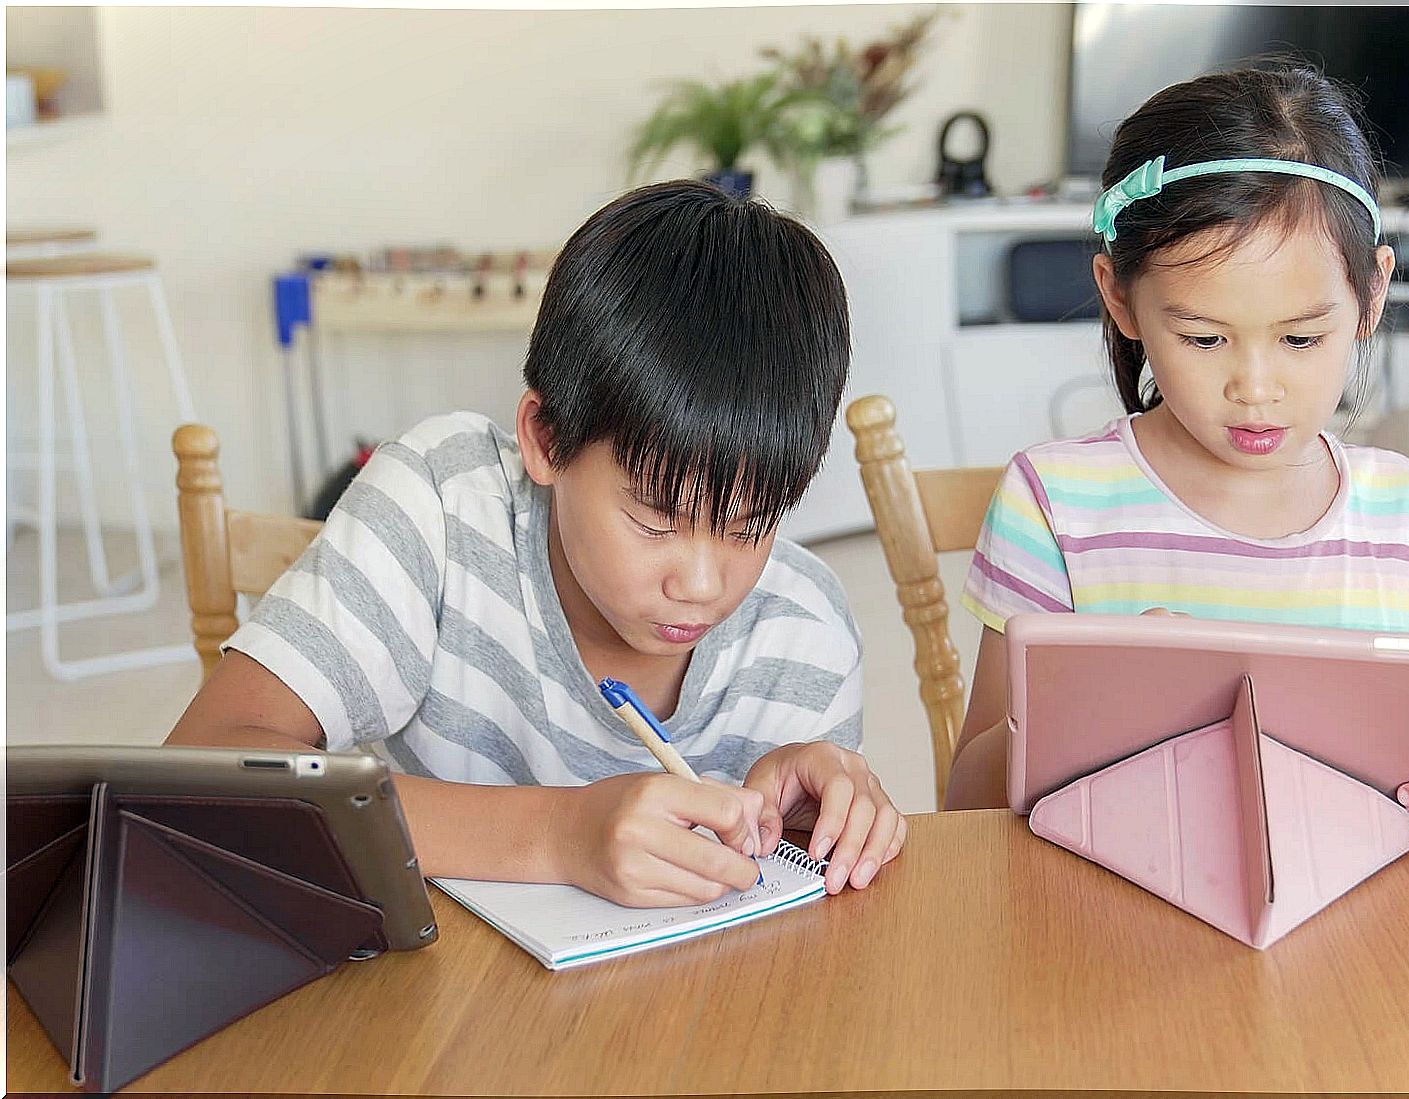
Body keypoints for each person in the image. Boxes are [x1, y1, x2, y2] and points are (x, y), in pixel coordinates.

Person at [168, 180, 905, 903]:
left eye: (749, 526)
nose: (704, 583)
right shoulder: (443, 508)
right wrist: (560, 834)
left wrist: (818, 834)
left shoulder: (803, 632)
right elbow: (201, 774)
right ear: (545, 440)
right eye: (655, 520)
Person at [945, 66, 1409, 844]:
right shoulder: (1054, 502)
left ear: (1372, 296)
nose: (1254, 388)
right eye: (1204, 338)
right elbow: (965, 807)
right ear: (1119, 296)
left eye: (1301, 339)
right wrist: (1091, 703)